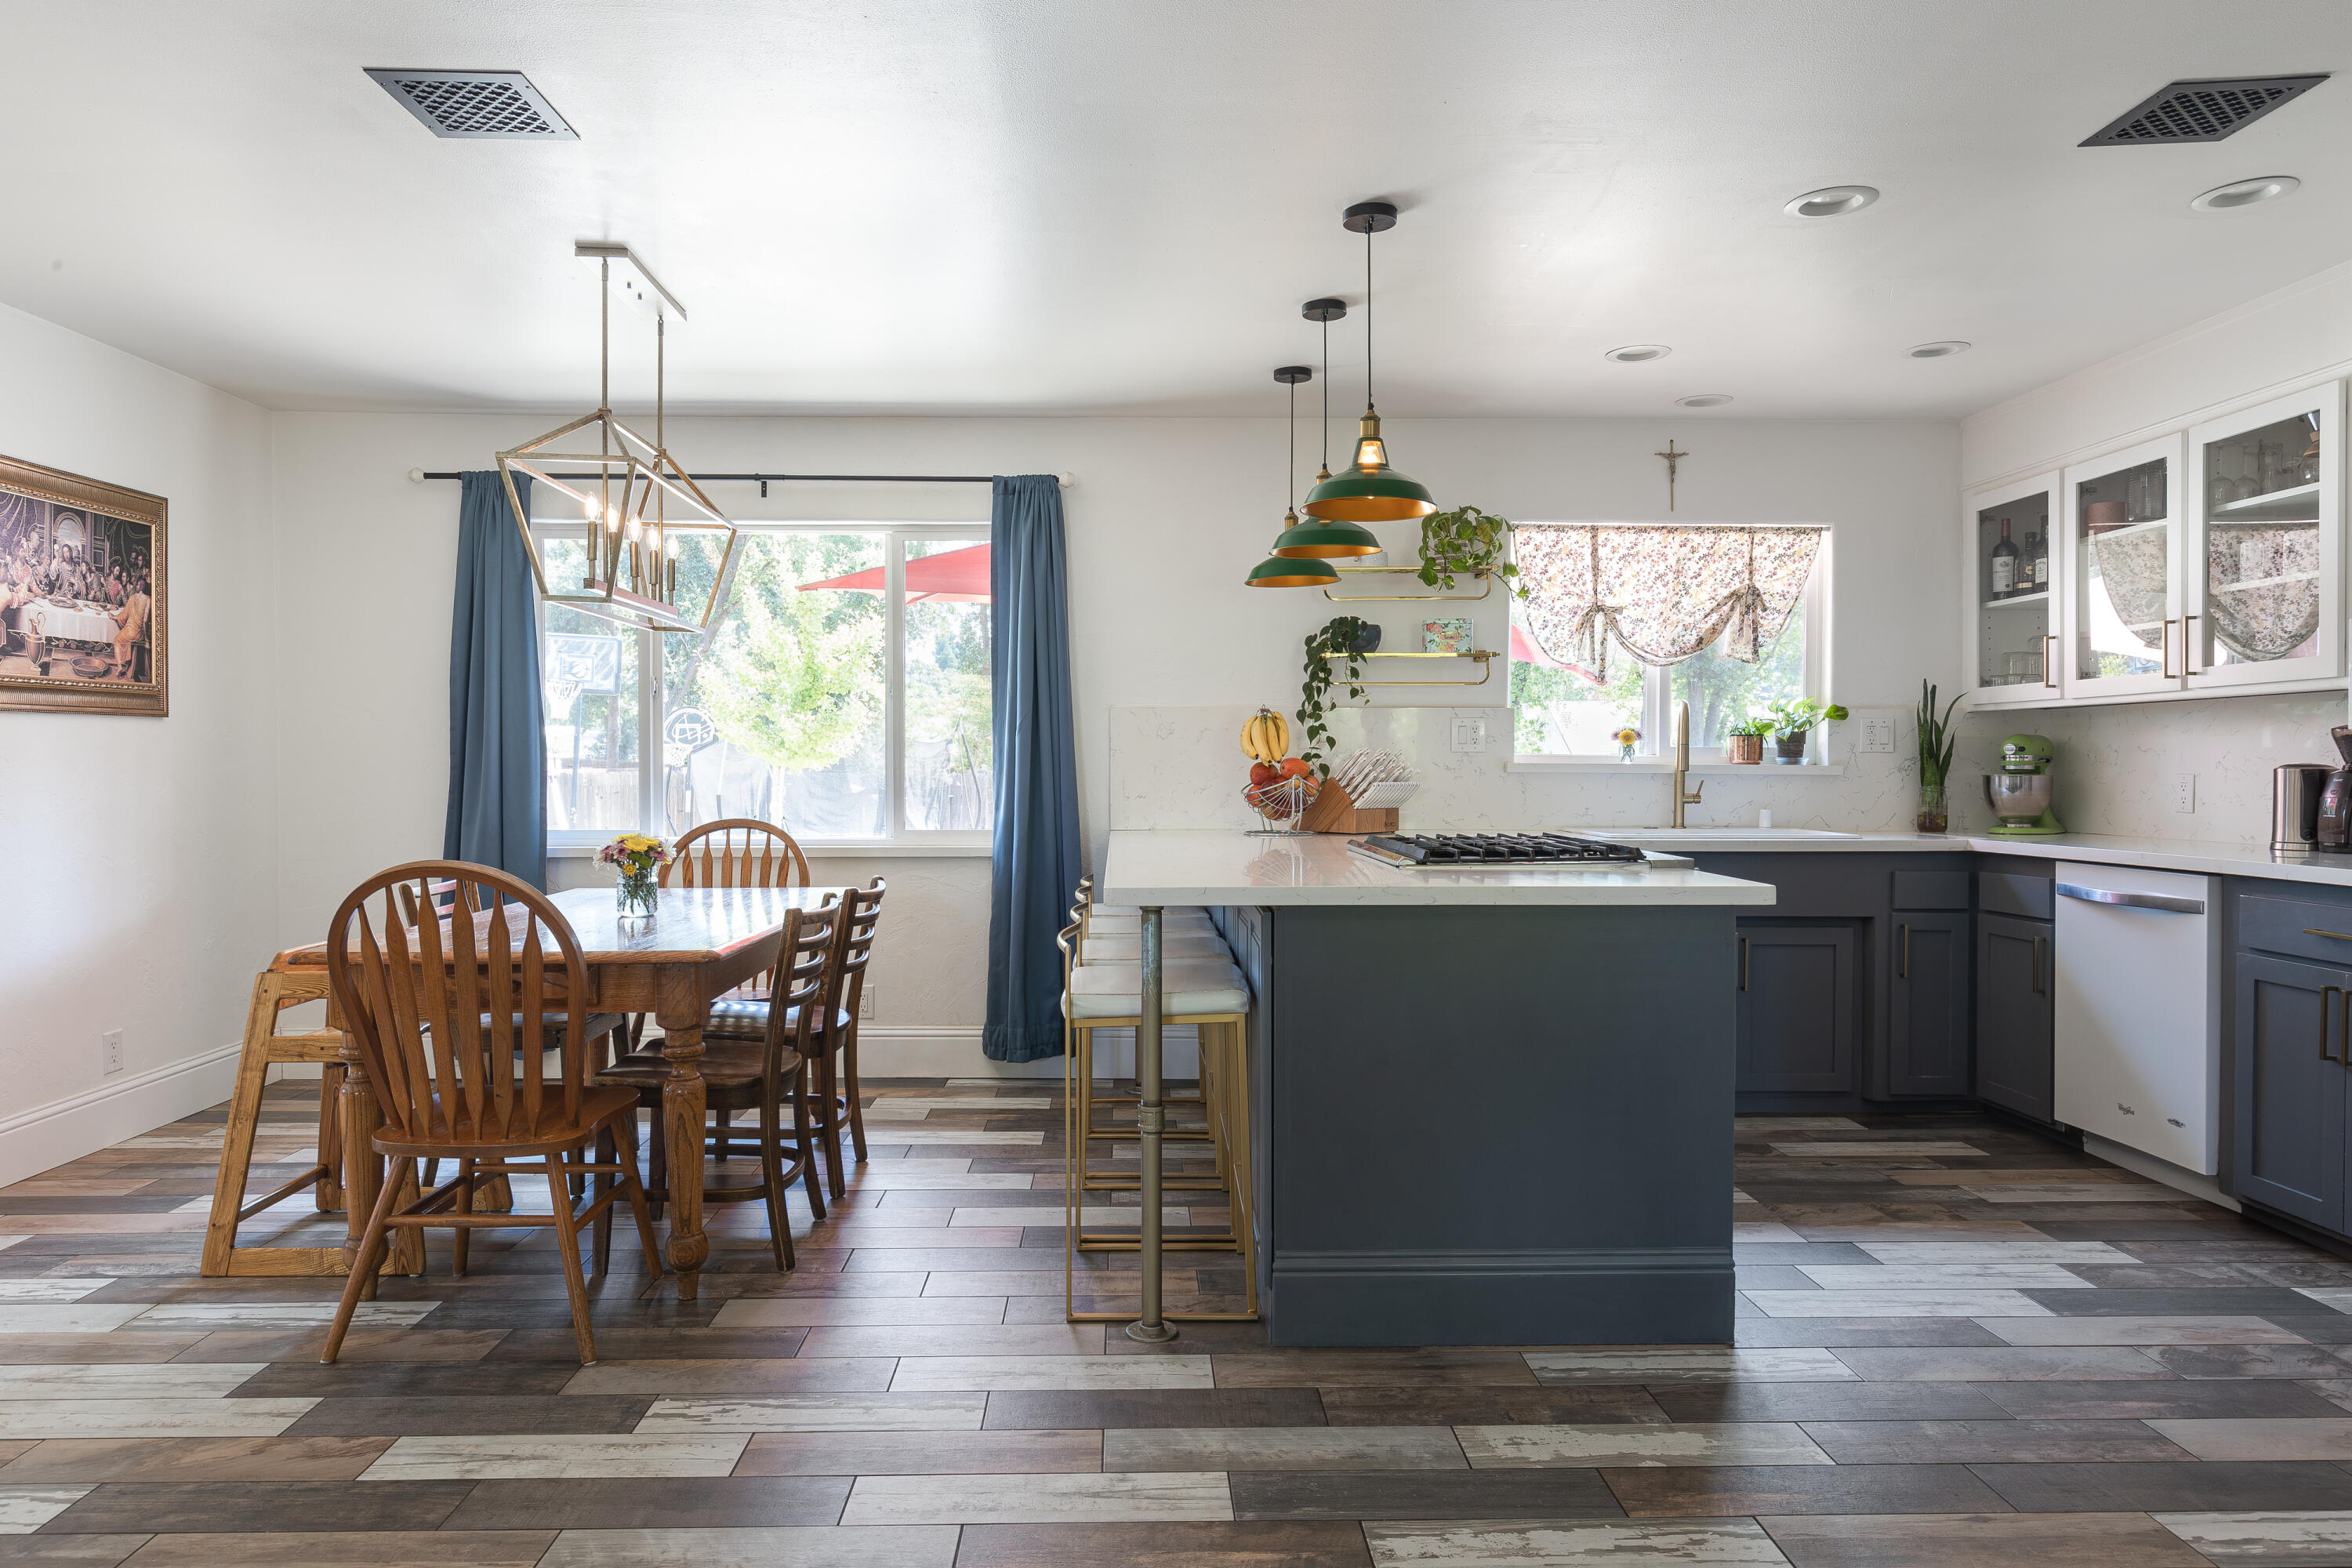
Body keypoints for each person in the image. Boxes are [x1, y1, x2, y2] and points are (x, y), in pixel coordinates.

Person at [108, 570, 149, 681]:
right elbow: (145, 621)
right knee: (125, 638)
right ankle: (125, 663)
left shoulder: (133, 598)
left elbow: (124, 616)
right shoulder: (148, 599)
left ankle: (120, 666)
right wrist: (146, 639)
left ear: (141, 587)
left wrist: (113, 617)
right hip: (140, 634)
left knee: (117, 640)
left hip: (130, 631)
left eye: (137, 585)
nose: (136, 587)